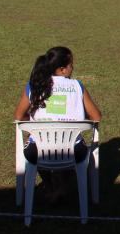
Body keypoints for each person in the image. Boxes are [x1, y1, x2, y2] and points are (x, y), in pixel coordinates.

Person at [14, 46, 102, 201]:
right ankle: (60, 188)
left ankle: (51, 187)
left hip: (38, 151)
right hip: (73, 151)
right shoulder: (77, 86)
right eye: (71, 65)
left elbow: (18, 116)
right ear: (62, 70)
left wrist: (35, 121)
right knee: (73, 147)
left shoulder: (34, 86)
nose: (72, 68)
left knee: (34, 141)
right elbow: (97, 117)